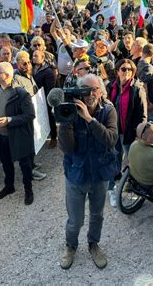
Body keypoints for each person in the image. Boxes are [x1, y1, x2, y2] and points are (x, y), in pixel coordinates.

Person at [58, 74, 118, 270]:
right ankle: (70, 246)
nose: (90, 94)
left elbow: (111, 139)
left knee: (97, 215)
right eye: (85, 90)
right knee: (75, 220)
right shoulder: (70, 111)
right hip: (77, 175)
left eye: (94, 90)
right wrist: (66, 121)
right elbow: (67, 148)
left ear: (101, 92)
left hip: (99, 175)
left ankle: (93, 244)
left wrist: (90, 119)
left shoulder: (108, 111)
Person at [0, 62, 35, 205]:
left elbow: (30, 115)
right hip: (1, 136)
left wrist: (9, 120)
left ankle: (28, 190)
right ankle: (9, 186)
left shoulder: (21, 93)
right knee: (6, 163)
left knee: (25, 165)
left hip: (18, 137)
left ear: (7, 75)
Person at [106, 59, 147, 206]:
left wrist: (140, 134)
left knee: (134, 161)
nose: (127, 72)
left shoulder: (137, 89)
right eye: (124, 69)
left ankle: (135, 186)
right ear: (117, 71)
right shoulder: (111, 87)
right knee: (113, 160)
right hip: (113, 132)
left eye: (130, 69)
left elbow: (143, 115)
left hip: (129, 133)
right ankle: (112, 189)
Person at [32, 49, 57, 149]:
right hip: (36, 98)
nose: (33, 58)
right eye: (33, 55)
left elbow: (50, 88)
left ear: (42, 58)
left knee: (49, 117)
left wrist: (45, 101)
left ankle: (54, 137)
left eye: (36, 56)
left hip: (45, 98)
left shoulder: (48, 71)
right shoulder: (33, 68)